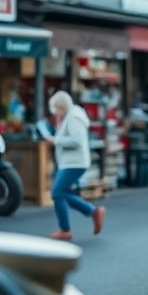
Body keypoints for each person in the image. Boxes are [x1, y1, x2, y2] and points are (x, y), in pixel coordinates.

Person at [44, 91, 105, 240]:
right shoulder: (68, 116)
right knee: (64, 193)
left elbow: (76, 140)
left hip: (74, 163)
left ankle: (66, 229)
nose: (54, 112)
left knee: (58, 193)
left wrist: (55, 141)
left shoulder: (74, 118)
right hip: (68, 162)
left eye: (55, 108)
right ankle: (93, 212)